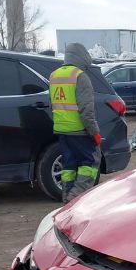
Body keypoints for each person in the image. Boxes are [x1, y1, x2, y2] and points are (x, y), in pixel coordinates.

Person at [49, 43, 102, 202]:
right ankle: (75, 199)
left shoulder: (54, 76)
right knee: (91, 164)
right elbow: (87, 111)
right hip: (80, 131)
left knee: (68, 167)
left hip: (62, 131)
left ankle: (66, 200)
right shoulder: (80, 76)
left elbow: (52, 104)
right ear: (82, 56)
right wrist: (95, 132)